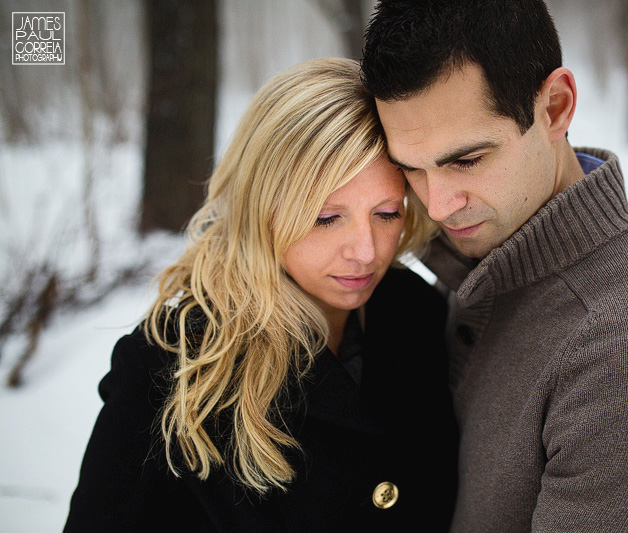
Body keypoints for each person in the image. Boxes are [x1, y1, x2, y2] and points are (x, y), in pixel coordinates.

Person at [361, 1, 628, 531]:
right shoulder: (487, 254)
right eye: (412, 169)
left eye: (467, 160)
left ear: (556, 108)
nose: (439, 204)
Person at [64, 58, 457, 532]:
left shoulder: (420, 315)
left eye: (387, 212)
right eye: (325, 218)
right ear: (262, 204)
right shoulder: (173, 367)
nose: (365, 251)